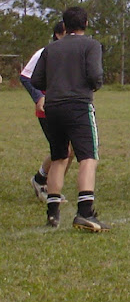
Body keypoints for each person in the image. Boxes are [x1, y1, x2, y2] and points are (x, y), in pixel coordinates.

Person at [31, 7, 109, 232]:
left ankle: (53, 213)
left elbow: (37, 80)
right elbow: (95, 75)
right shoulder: (91, 45)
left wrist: (56, 86)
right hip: (78, 105)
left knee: (59, 157)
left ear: (63, 26)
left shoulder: (50, 48)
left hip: (53, 107)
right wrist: (94, 85)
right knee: (88, 157)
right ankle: (85, 212)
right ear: (85, 22)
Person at [20, 21, 74, 202]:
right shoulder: (45, 52)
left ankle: (45, 181)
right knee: (62, 149)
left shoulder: (73, 54)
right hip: (49, 108)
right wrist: (38, 97)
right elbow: (25, 76)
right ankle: (45, 186)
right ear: (58, 35)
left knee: (71, 149)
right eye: (67, 33)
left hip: (68, 106)